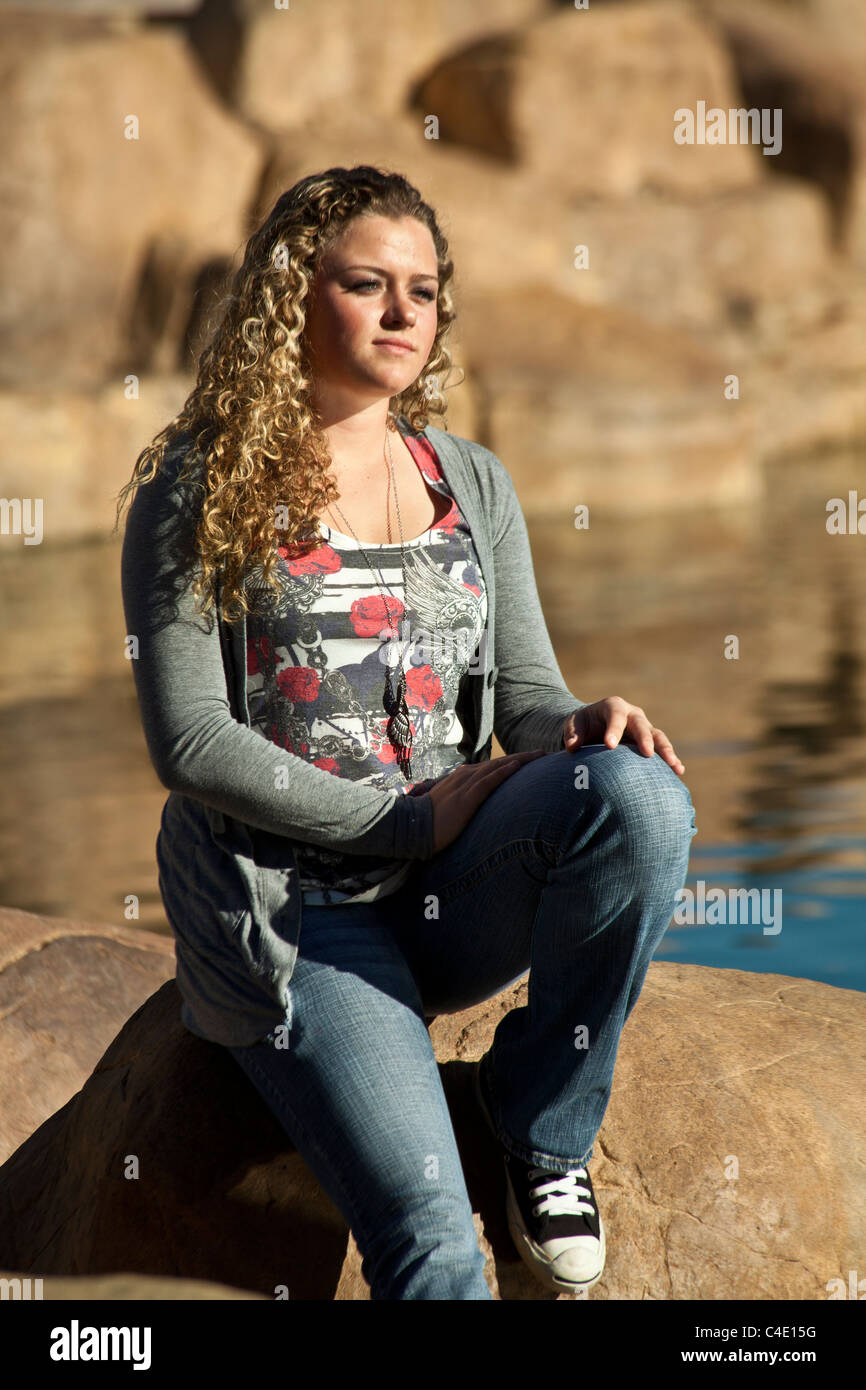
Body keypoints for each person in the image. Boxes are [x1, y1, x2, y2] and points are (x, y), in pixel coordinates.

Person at [116, 165, 698, 1301]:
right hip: (299, 912)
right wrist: (402, 817)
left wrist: (573, 723)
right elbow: (187, 741)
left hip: (448, 882)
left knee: (638, 797)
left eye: (423, 291)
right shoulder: (198, 486)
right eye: (367, 285)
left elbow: (524, 693)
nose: (402, 316)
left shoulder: (468, 478)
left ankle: (539, 1130)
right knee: (430, 1235)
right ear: (293, 298)